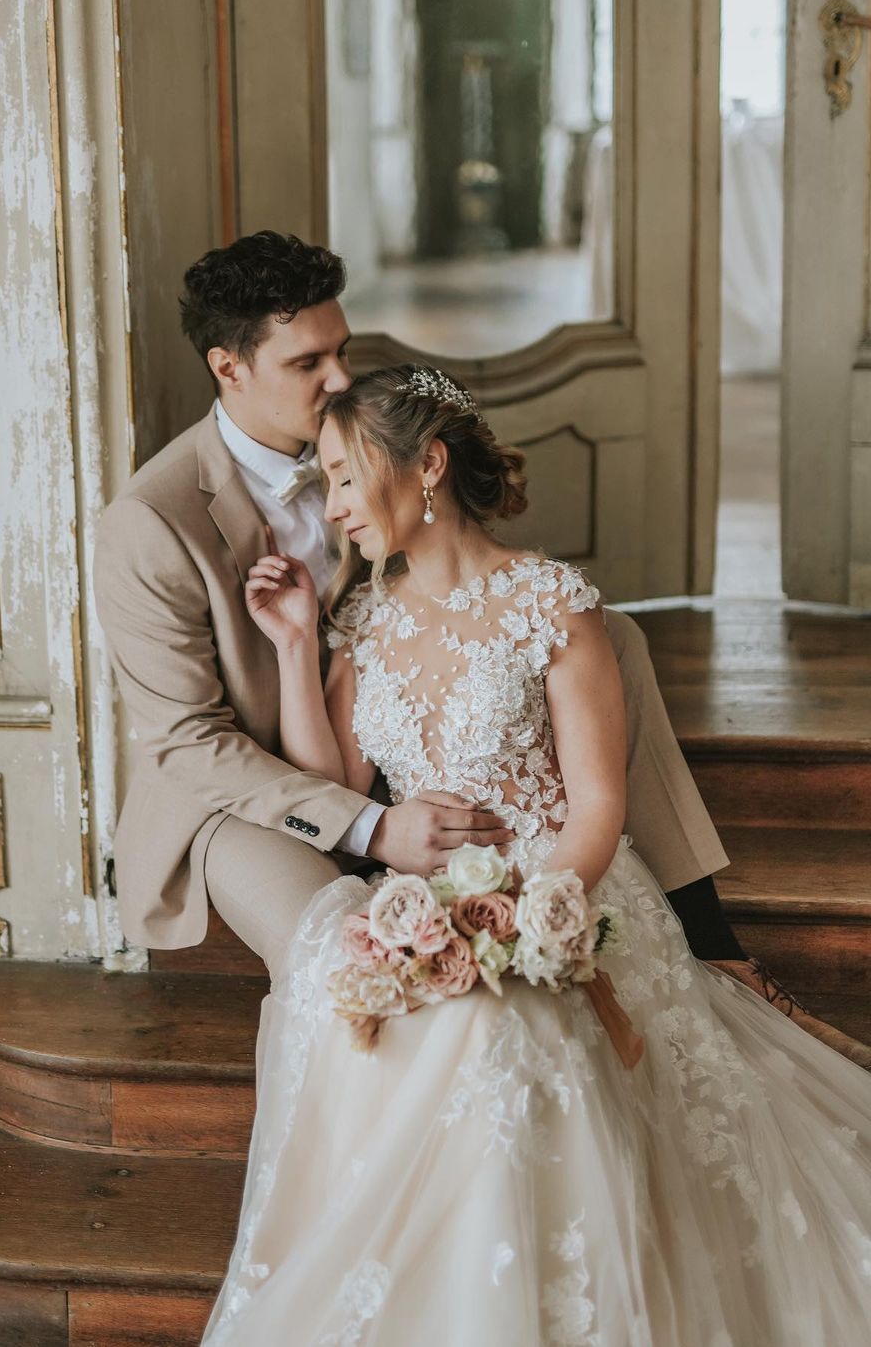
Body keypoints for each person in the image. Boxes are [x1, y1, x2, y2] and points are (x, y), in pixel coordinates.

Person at [200, 365, 871, 1344]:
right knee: (351, 1006)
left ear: (425, 464)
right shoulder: (367, 620)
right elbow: (334, 779)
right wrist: (297, 644)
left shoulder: (552, 604)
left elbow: (599, 805)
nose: (334, 506)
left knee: (493, 1032)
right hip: (422, 911)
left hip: (567, 899)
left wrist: (530, 913)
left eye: (346, 477)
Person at [93, 230, 781, 1003]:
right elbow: (193, 745)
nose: (339, 377)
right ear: (229, 367)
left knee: (605, 634)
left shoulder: (371, 439)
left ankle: (702, 926)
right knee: (344, 967)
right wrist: (371, 827)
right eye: (306, 363)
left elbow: (465, 586)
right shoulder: (152, 524)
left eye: (341, 349)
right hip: (255, 797)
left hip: (398, 732)